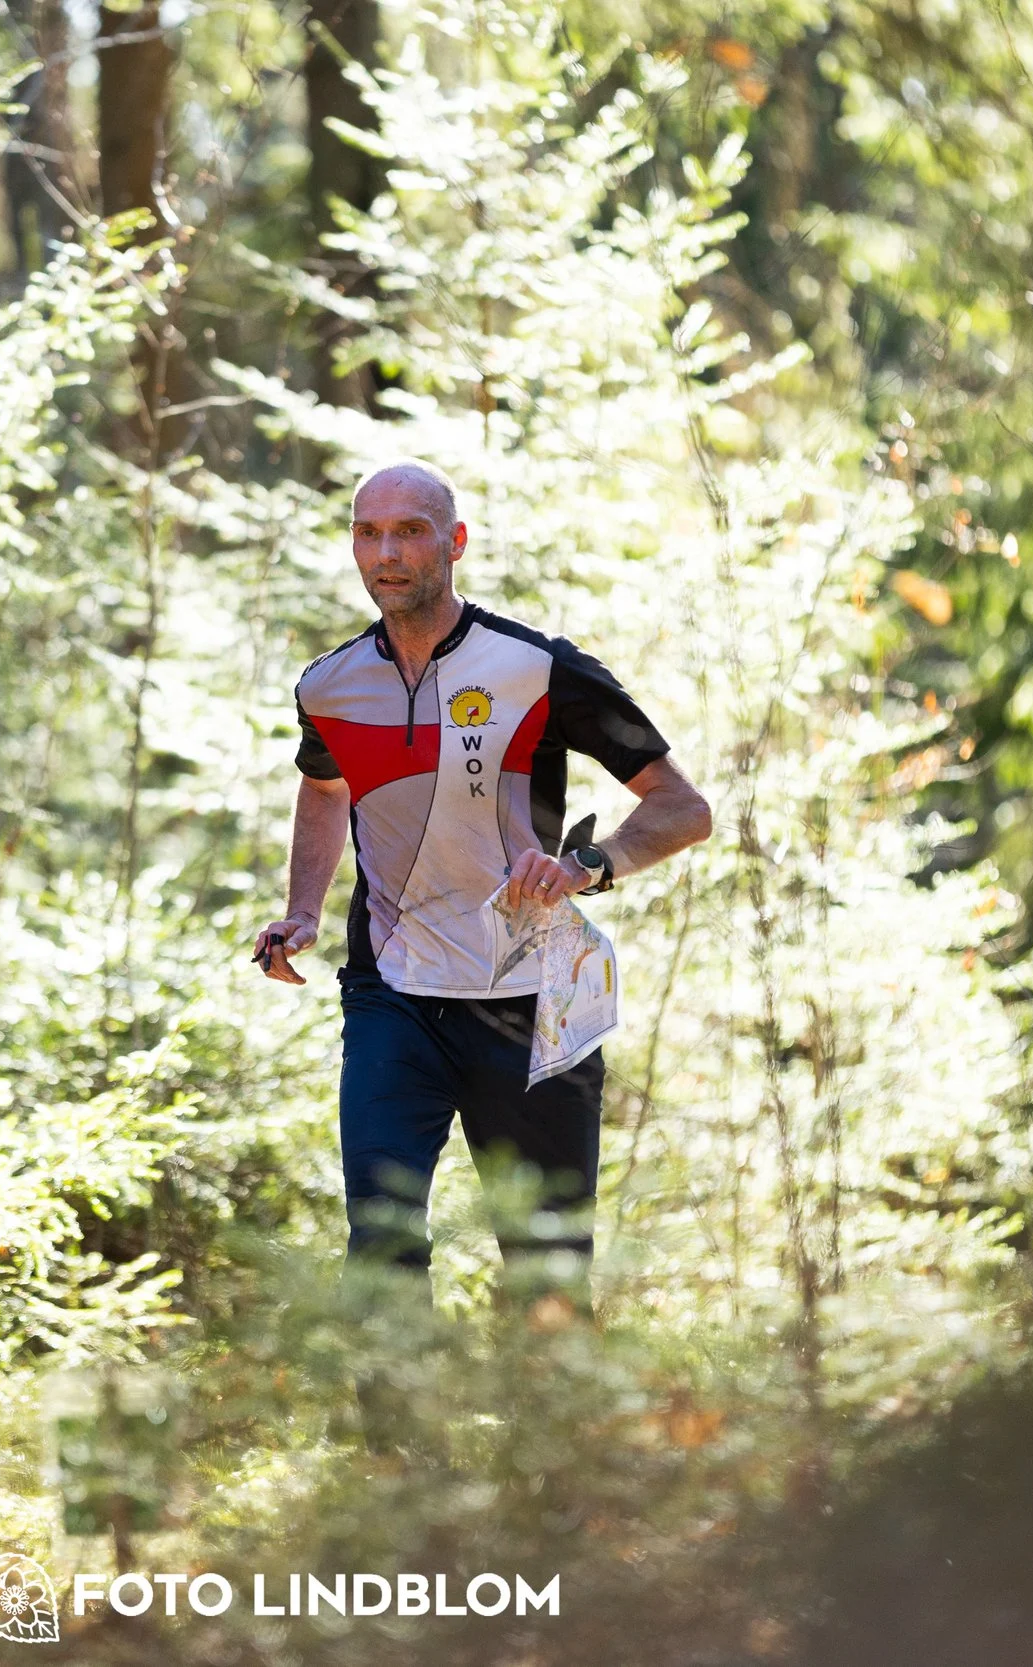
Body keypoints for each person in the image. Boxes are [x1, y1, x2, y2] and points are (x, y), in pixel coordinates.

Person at [254, 459, 713, 1316]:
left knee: (548, 1274)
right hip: (393, 997)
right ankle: (397, 1409)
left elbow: (684, 809)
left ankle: (546, 1409)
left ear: (455, 541)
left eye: (410, 531)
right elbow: (323, 786)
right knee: (381, 1245)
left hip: (531, 1003)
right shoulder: (328, 685)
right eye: (368, 533)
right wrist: (302, 910)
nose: (387, 553)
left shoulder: (540, 668)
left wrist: (588, 865)